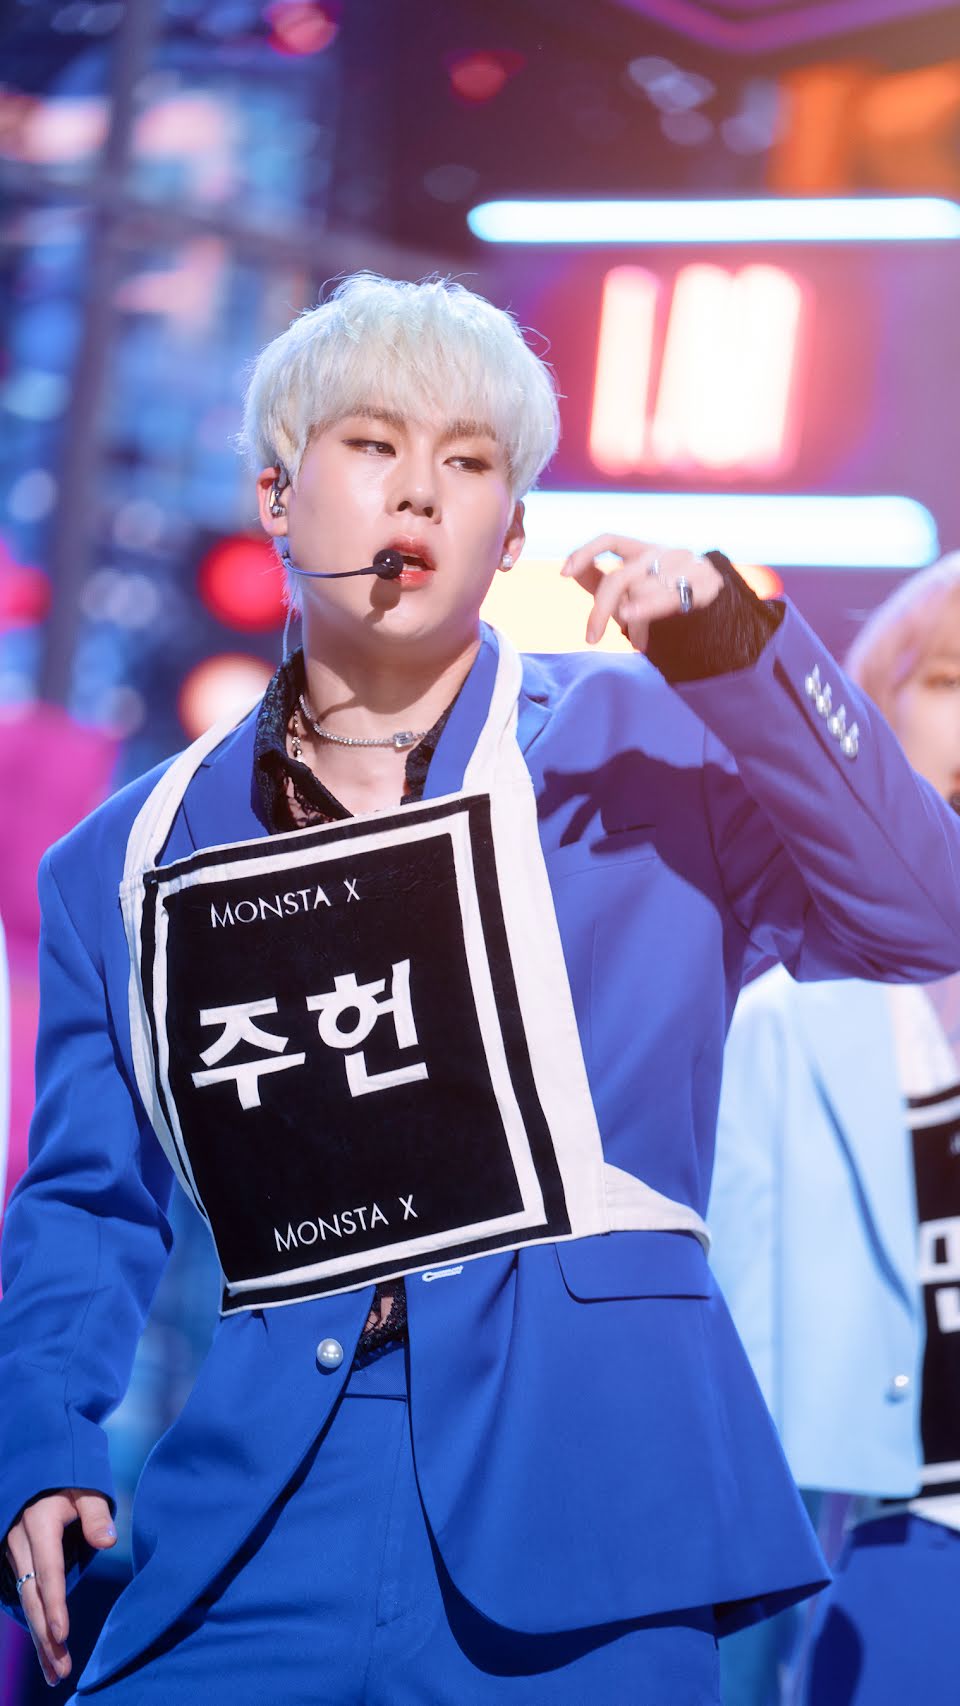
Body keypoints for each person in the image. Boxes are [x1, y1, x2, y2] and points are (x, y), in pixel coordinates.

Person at [1, 274, 959, 1705]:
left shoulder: (651, 750)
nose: (419, 491)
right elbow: (87, 1193)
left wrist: (736, 653)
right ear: (276, 494)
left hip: (587, 1491)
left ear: (511, 534)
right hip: (262, 1500)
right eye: (374, 443)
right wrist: (42, 1441)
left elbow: (922, 913)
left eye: (467, 462)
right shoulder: (127, 856)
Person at [710, 554, 960, 1706]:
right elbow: (738, 1352)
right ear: (871, 708)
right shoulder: (785, 1014)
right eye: (951, 679)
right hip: (897, 1539)